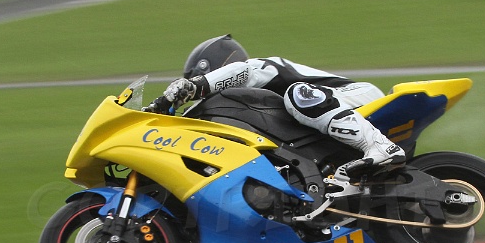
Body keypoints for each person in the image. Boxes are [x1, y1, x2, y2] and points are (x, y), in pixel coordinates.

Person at [144, 34, 405, 177]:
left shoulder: (257, 68)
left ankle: (380, 147)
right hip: (328, 129)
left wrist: (192, 87)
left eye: (205, 78)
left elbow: (243, 71)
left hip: (358, 99)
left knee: (298, 95)